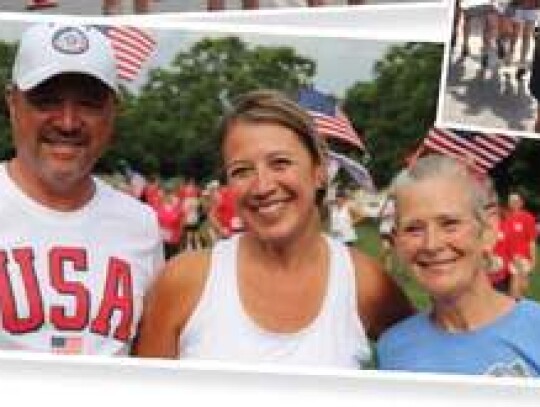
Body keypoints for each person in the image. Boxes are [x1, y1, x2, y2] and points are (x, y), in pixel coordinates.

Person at [134, 89, 413, 367]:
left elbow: (432, 359)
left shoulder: (364, 282)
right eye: (242, 171)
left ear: (319, 171)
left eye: (280, 163)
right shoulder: (184, 281)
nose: (263, 186)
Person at [0, 23, 164, 355]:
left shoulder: (141, 225)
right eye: (46, 101)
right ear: (12, 103)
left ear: (112, 112)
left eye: (89, 104)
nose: (68, 122)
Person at [377, 154, 540, 376]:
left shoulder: (534, 329)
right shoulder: (393, 349)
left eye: (450, 223)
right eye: (414, 229)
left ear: (488, 232)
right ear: (397, 241)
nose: (431, 244)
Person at [503, 192, 537, 298]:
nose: (513, 203)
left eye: (515, 201)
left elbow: (532, 241)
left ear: (521, 203)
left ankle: (520, 307)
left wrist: (533, 260)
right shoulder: (505, 218)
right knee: (512, 290)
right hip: (507, 258)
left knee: (521, 288)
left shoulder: (528, 218)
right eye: (511, 201)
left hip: (522, 258)